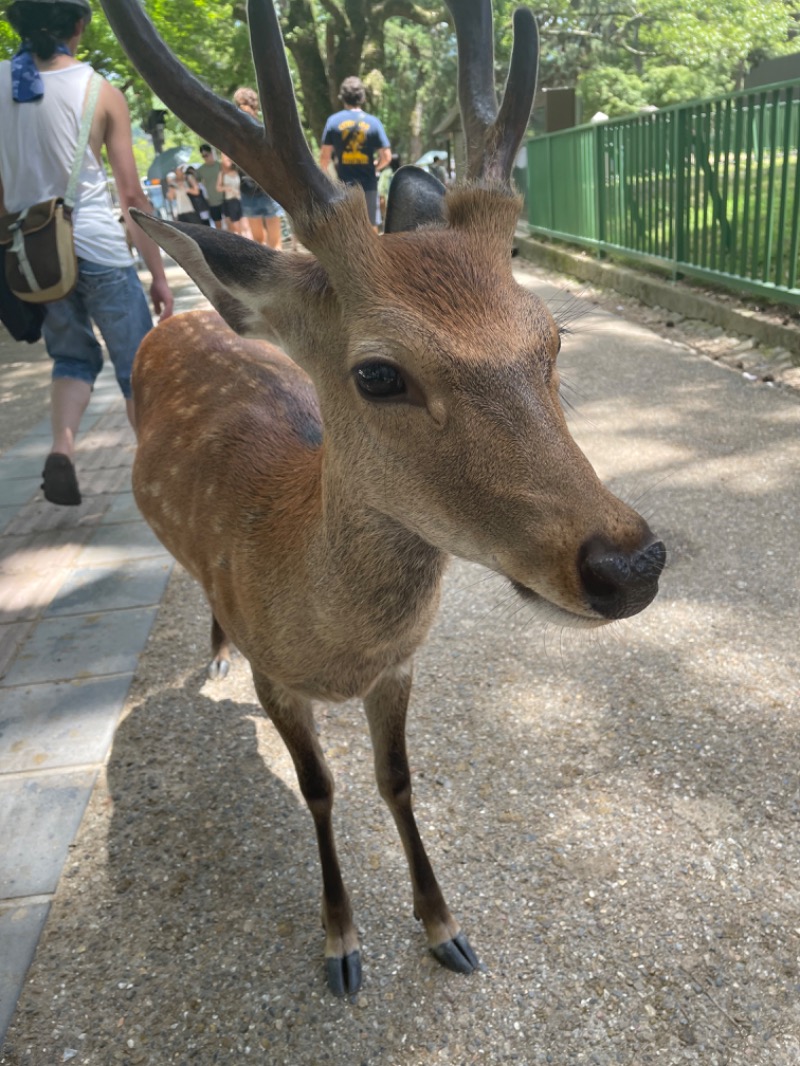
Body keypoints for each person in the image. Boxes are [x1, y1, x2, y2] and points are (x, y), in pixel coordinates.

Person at [0, 0, 173, 506]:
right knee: (136, 366)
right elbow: (133, 197)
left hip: (34, 258)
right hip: (96, 245)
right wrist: (158, 273)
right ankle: (157, 474)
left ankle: (62, 449)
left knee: (71, 357)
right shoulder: (100, 91)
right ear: (78, 26)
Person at [319, 76, 392, 232]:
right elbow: (387, 157)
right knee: (371, 229)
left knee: (346, 230)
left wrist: (329, 181)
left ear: (342, 97)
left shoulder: (333, 122)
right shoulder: (374, 122)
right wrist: (376, 167)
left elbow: (324, 159)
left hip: (344, 188)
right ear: (362, 97)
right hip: (368, 185)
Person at [232, 86, 285, 250]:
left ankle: (277, 273)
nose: (242, 110)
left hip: (266, 190)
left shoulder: (262, 129)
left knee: (267, 241)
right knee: (263, 241)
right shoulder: (242, 132)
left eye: (242, 106)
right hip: (256, 189)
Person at [196, 143, 224, 228]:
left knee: (232, 225)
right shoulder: (200, 170)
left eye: (206, 155)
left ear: (212, 153)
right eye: (203, 156)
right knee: (218, 227)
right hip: (212, 202)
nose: (205, 158)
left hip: (225, 199)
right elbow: (196, 184)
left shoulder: (220, 165)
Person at [216, 153, 244, 234]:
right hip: (231, 201)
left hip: (241, 199)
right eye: (224, 157)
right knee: (236, 227)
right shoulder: (222, 173)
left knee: (245, 226)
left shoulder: (238, 171)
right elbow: (218, 188)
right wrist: (227, 188)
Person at [377, 152, 401, 226]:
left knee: (388, 221)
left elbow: (380, 188)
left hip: (388, 202)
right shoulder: (401, 172)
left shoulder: (385, 173)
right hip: (401, 201)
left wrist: (382, 198)